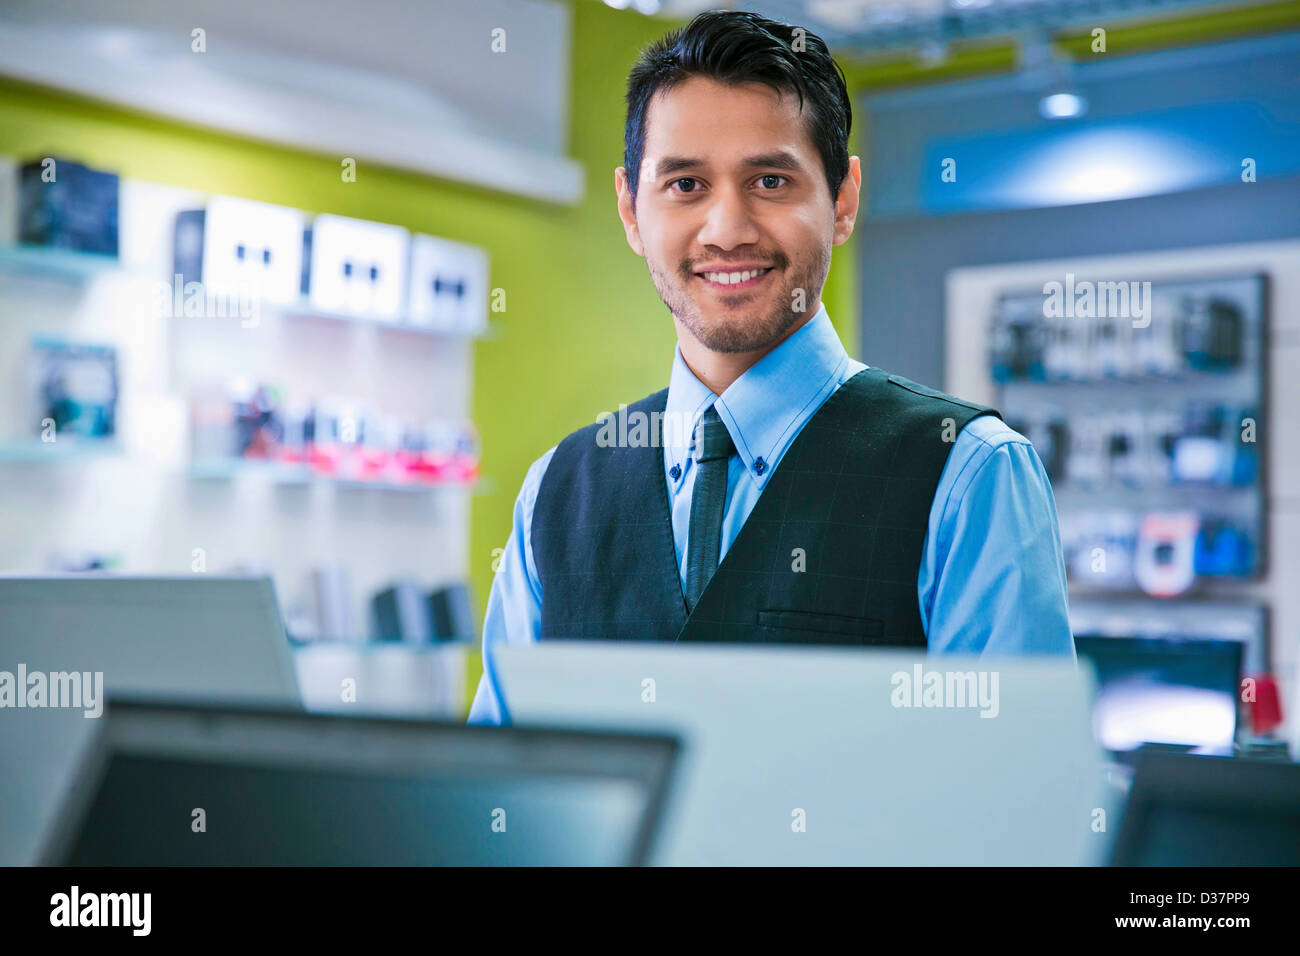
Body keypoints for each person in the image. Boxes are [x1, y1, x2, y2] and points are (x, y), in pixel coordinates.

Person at [468, 9, 1073, 725]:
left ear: (842, 200)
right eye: (686, 185)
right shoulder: (556, 494)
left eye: (770, 181)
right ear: (631, 209)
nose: (727, 230)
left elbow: (1014, 808)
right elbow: (504, 796)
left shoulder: (966, 476)